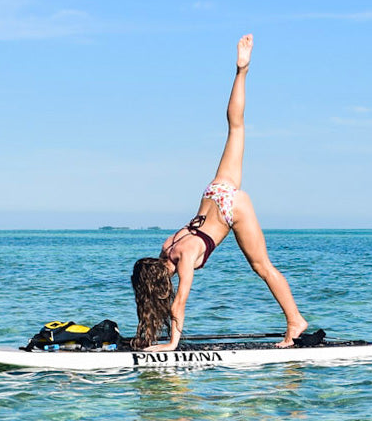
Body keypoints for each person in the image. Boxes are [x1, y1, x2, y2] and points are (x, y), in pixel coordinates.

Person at [130, 35, 308, 350]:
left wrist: (172, 344)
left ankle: (296, 320)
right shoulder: (168, 247)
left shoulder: (178, 253)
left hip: (230, 208)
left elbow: (180, 301)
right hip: (215, 192)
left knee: (262, 266)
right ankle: (242, 71)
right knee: (235, 127)